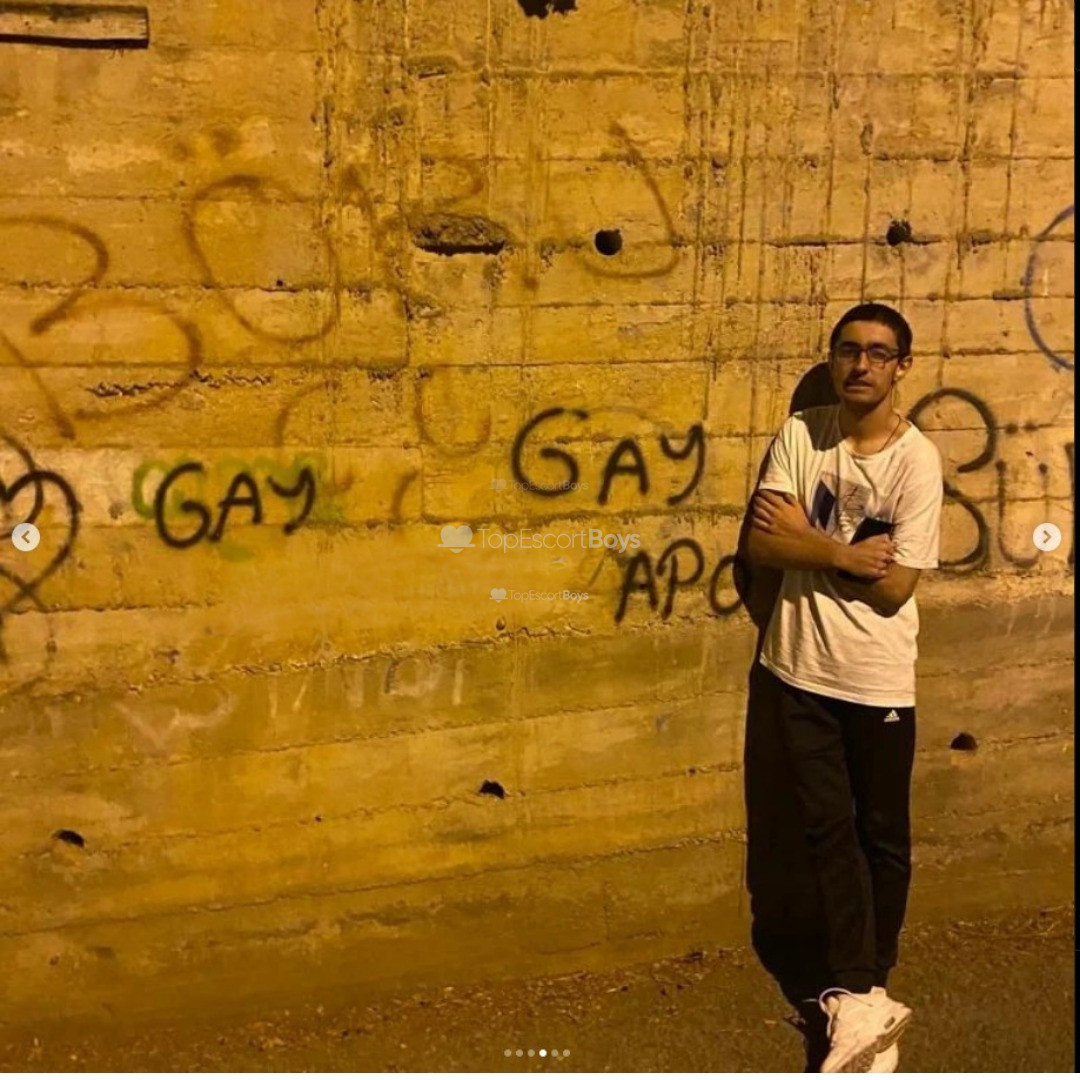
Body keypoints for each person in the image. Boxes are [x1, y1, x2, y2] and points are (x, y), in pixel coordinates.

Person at [741, 302, 943, 1073]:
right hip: (795, 668)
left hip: (876, 677)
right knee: (826, 830)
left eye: (879, 353)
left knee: (881, 834)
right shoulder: (802, 433)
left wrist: (809, 541)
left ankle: (866, 987)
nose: (861, 365)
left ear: (901, 368)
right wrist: (846, 556)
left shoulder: (916, 462)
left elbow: (896, 590)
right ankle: (861, 998)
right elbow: (763, 544)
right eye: (848, 350)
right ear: (832, 359)